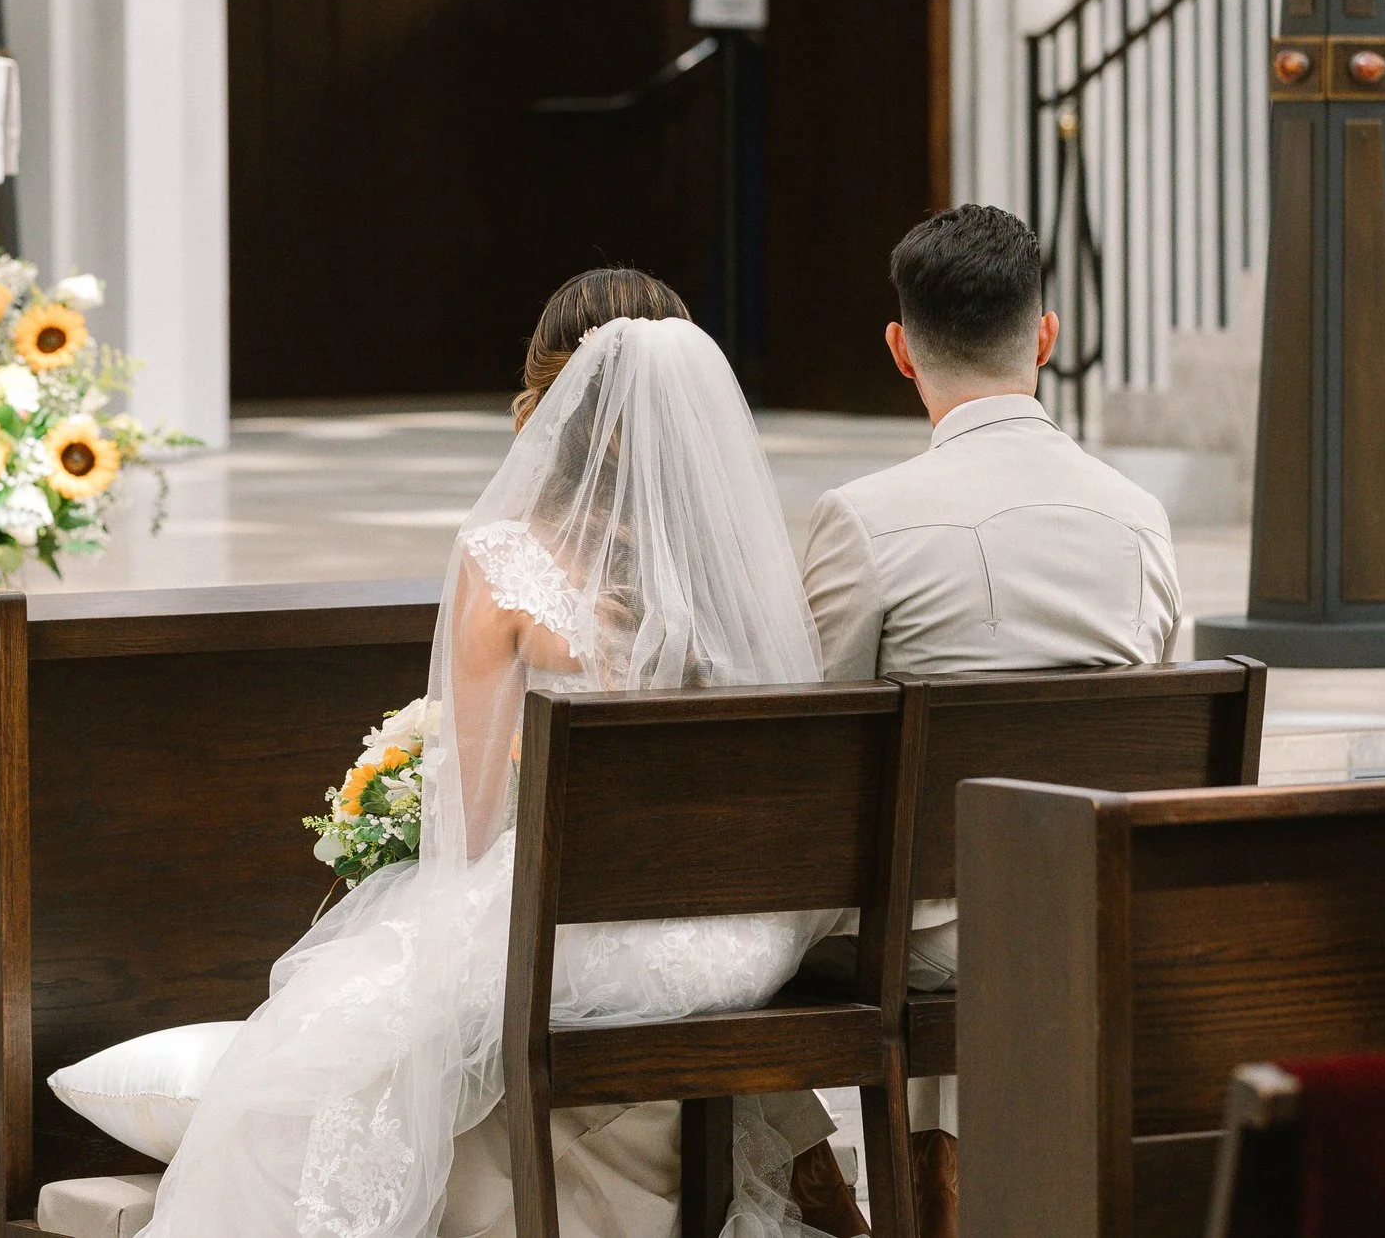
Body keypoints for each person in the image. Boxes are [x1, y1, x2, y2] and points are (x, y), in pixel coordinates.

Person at [140, 271, 848, 1238]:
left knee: (332, 1042)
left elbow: (468, 820)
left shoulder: (504, 560)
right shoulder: (738, 566)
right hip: (740, 939)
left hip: (588, 929)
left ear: (542, 402)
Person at [802, 205, 1182, 1237]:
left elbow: (815, 743)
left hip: (920, 932)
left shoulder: (862, 518)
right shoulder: (1137, 515)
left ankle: (860, 1202)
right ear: (1046, 335)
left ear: (899, 350)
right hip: (1096, 900)